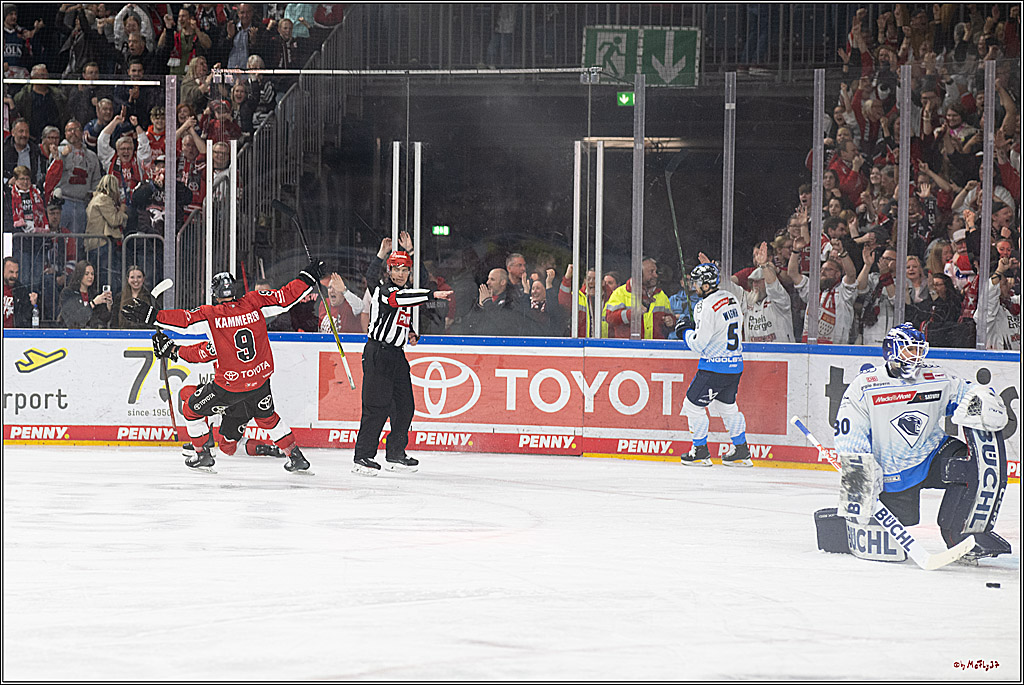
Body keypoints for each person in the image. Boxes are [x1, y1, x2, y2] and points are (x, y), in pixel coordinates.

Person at [813, 324, 1011, 564]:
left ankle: (961, 535)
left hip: (932, 453)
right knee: (894, 530)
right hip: (891, 471)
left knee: (969, 465)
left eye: (919, 350)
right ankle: (844, 525)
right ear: (892, 351)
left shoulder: (935, 376)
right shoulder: (865, 385)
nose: (916, 357)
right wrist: (861, 472)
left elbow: (965, 393)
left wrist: (984, 400)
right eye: (909, 351)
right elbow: (848, 432)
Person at [126, 266, 321, 472]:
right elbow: (286, 297)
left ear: (215, 294)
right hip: (259, 382)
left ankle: (202, 453)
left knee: (191, 409)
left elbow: (186, 322)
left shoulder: (212, 315)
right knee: (267, 418)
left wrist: (154, 317)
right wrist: (307, 277)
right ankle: (295, 455)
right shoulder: (254, 302)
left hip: (230, 387)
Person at [352, 238, 453, 476]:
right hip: (378, 353)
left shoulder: (405, 291)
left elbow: (399, 314)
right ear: (389, 271)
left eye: (405, 269)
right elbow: (398, 299)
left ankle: (395, 453)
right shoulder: (385, 291)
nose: (400, 273)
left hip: (397, 355)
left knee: (405, 406)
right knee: (376, 408)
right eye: (396, 268)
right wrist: (433, 295)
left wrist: (408, 331)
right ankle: (363, 457)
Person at [675, 261, 751, 467]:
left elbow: (698, 345)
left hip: (714, 367)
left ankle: (700, 451)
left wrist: (685, 331)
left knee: (692, 406)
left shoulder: (705, 306)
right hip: (735, 365)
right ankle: (741, 449)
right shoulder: (731, 298)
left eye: (697, 283)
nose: (694, 287)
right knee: (727, 406)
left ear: (706, 284)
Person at [719, 242, 794, 343]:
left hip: (781, 354)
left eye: (758, 281)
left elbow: (773, 287)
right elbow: (728, 287)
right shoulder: (747, 299)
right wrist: (712, 274)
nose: (754, 284)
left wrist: (764, 265)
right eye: (752, 281)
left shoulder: (780, 300)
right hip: (754, 354)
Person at [604, 257, 674, 339]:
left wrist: (671, 321)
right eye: (651, 272)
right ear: (638, 274)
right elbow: (610, 318)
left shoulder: (661, 295)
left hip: (655, 348)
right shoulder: (620, 293)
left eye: (656, 271)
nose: (655, 275)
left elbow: (670, 318)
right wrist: (631, 314)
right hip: (629, 348)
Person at [58, 260, 111, 328]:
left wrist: (108, 305)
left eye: (92, 274)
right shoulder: (68, 293)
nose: (90, 277)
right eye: (87, 274)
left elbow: (104, 319)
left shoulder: (94, 294)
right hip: (73, 336)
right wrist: (93, 303)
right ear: (79, 274)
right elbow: (74, 319)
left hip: (92, 336)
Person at [110, 265, 157, 329]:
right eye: (132, 277)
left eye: (139, 277)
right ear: (128, 279)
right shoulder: (119, 297)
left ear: (143, 279)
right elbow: (114, 323)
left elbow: (154, 322)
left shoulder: (150, 298)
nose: (135, 280)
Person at [3, 256, 38, 328]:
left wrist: (32, 305)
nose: (14, 276)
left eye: (17, 272)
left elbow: (26, 319)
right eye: (11, 272)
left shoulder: (21, 291)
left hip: (14, 335)